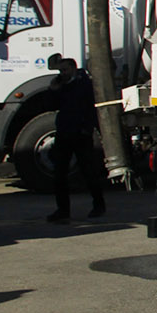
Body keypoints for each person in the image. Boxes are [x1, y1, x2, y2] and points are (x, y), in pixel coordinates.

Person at [44, 53, 106, 223]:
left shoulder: (84, 84)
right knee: (60, 174)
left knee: (89, 172)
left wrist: (87, 129)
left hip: (80, 133)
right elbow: (50, 106)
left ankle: (99, 205)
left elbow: (91, 108)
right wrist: (53, 90)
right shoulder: (61, 85)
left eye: (65, 70)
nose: (62, 73)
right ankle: (63, 210)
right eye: (60, 70)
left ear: (73, 68)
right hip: (64, 132)